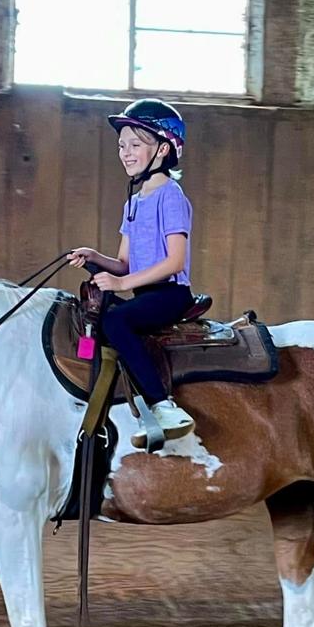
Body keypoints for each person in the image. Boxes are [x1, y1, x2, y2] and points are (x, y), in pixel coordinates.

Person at [69, 98, 196, 446]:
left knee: (116, 322)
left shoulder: (171, 196)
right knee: (94, 317)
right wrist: (96, 256)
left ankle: (162, 406)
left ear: (164, 149)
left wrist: (122, 283)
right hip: (143, 290)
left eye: (135, 144)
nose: (125, 152)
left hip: (170, 293)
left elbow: (174, 262)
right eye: (122, 145)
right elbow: (124, 262)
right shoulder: (133, 202)